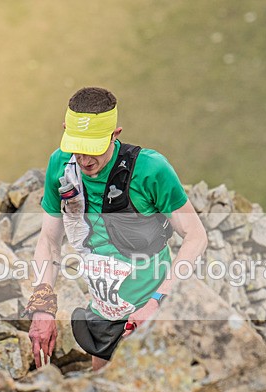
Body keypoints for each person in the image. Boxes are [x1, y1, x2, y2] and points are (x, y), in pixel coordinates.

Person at [24, 87, 207, 371]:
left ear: (115, 134)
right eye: (77, 148)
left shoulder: (150, 170)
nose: (84, 160)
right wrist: (42, 306)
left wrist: (158, 301)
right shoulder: (60, 165)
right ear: (65, 131)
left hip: (151, 316)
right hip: (103, 318)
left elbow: (196, 237)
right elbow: (48, 241)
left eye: (93, 150)